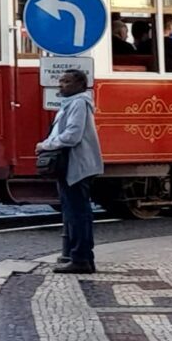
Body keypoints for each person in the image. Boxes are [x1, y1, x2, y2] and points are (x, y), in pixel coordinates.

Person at [37, 67, 103, 274]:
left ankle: (80, 259)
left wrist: (45, 145)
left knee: (77, 214)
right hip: (72, 166)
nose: (61, 84)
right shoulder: (72, 104)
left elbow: (72, 135)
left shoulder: (78, 104)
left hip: (76, 166)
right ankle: (82, 258)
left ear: (80, 85)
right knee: (76, 213)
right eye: (61, 81)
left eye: (66, 81)